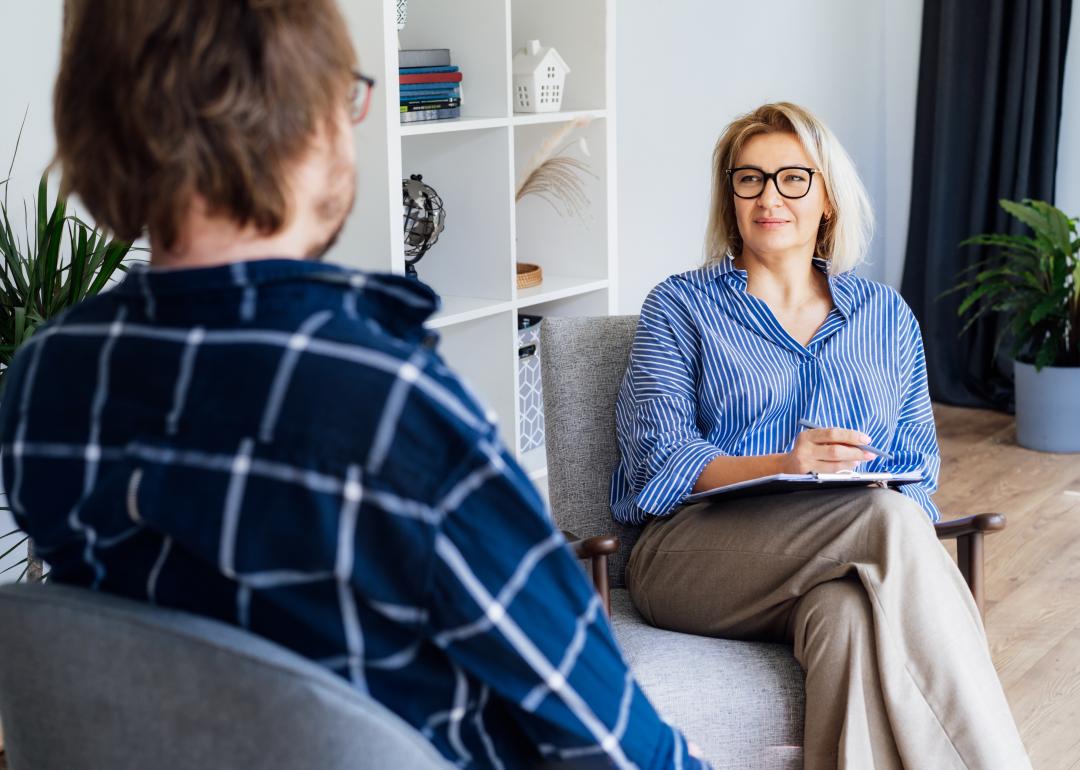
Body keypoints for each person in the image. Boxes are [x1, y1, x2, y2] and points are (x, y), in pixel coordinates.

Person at [0, 3, 707, 768]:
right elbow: (616, 746)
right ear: (308, 119)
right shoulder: (384, 405)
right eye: (350, 93)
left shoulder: (47, 381)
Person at [611, 102, 1031, 770]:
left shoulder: (885, 316)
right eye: (748, 179)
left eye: (792, 178)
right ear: (731, 195)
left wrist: (862, 487)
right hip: (692, 555)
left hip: (836, 557)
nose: (768, 196)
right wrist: (786, 462)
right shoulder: (679, 306)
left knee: (849, 619)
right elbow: (659, 461)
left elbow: (917, 467)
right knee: (888, 523)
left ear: (828, 195)